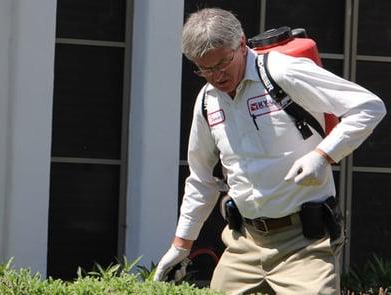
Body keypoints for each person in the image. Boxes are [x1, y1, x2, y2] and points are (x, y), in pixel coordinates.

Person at [153, 7, 386, 294]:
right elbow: (201, 179)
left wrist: (323, 155)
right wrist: (181, 245)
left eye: (223, 63)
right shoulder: (207, 100)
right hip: (242, 244)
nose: (215, 76)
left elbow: (369, 107)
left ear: (242, 44)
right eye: (205, 69)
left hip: (305, 244)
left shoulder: (282, 71)